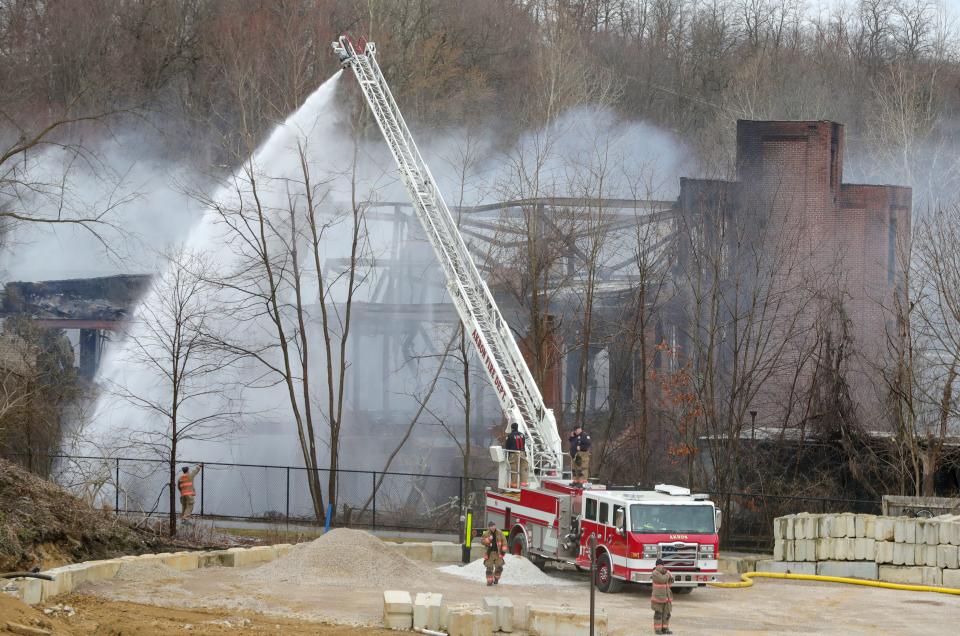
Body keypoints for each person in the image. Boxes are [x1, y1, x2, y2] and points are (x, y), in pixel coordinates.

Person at [651, 558, 674, 634]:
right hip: (658, 599)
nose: (660, 566)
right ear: (656, 566)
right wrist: (668, 574)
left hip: (666, 598)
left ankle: (665, 628)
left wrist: (671, 576)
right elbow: (662, 580)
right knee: (658, 614)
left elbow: (671, 581)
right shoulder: (655, 573)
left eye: (661, 565)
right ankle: (657, 630)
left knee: (667, 614)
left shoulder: (665, 573)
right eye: (658, 565)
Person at [481, 521, 507, 585]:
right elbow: (482, 541)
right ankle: (489, 581)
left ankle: (496, 579)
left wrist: (503, 552)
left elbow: (504, 542)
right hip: (490, 553)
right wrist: (488, 539)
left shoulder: (500, 533)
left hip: (498, 553)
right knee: (489, 568)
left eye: (494, 526)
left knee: (499, 567)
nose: (493, 527)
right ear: (489, 527)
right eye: (491, 526)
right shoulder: (486, 533)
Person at [504, 423, 527, 487]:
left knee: (514, 468)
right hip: (522, 453)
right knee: (523, 468)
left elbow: (507, 446)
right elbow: (523, 444)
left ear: (511, 428)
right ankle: (523, 483)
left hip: (514, 453)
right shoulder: (522, 435)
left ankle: (514, 483)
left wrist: (507, 454)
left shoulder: (510, 436)